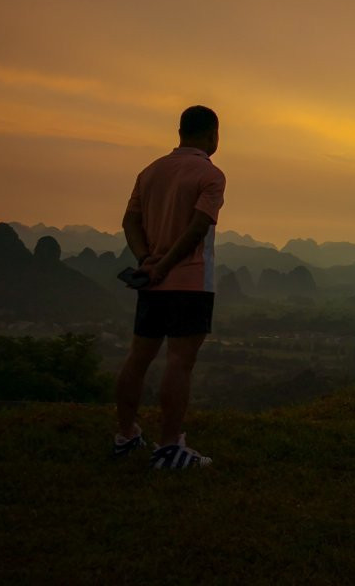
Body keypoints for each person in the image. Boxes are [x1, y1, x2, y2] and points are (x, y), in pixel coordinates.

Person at [113, 105, 226, 469]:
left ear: (180, 132)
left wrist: (147, 259)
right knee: (179, 362)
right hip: (189, 283)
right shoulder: (211, 175)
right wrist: (164, 265)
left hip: (151, 282)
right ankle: (168, 446)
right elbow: (198, 226)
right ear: (213, 135)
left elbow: (130, 220)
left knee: (138, 357)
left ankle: (126, 434)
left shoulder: (149, 172)